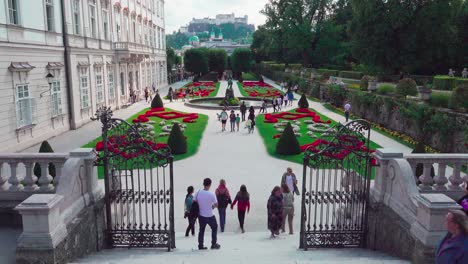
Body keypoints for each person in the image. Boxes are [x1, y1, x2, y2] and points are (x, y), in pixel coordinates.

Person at [194, 178, 221, 250]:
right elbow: (216, 205)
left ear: (203, 184)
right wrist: (211, 206)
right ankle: (214, 244)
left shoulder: (198, 192)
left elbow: (194, 201)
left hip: (201, 215)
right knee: (214, 227)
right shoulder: (211, 194)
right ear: (210, 185)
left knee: (201, 230)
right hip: (210, 215)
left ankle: (200, 245)